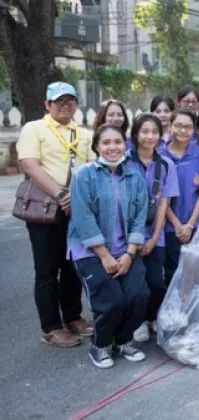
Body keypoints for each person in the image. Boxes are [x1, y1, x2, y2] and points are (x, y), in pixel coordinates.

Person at [17, 81, 95, 348]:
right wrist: (61, 195)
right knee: (47, 270)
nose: (66, 105)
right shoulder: (34, 129)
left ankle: (72, 316)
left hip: (76, 209)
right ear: (47, 104)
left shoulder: (83, 134)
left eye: (71, 100)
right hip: (45, 209)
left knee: (73, 265)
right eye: (59, 100)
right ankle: (50, 327)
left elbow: (91, 166)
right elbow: (29, 164)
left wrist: (78, 197)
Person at [68, 124, 150, 368]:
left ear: (125, 145)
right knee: (112, 301)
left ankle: (122, 341)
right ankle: (100, 344)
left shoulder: (134, 175)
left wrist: (129, 253)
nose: (113, 147)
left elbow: (140, 216)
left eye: (117, 142)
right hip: (90, 251)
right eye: (106, 142)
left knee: (139, 296)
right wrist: (104, 255)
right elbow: (82, 218)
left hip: (126, 250)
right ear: (97, 146)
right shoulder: (84, 175)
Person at [126, 113, 179, 343]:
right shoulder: (123, 161)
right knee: (136, 284)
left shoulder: (166, 164)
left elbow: (164, 204)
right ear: (136, 134)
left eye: (154, 132)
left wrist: (154, 237)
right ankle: (136, 321)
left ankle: (152, 316)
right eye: (144, 131)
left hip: (154, 234)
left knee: (157, 282)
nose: (149, 136)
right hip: (126, 235)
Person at [159, 110, 199, 285]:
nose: (183, 131)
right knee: (173, 273)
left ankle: (194, 312)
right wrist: (177, 225)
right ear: (170, 126)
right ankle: (173, 311)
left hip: (196, 223)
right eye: (179, 126)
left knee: (198, 274)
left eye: (188, 127)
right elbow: (160, 196)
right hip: (168, 225)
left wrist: (190, 225)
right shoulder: (159, 156)